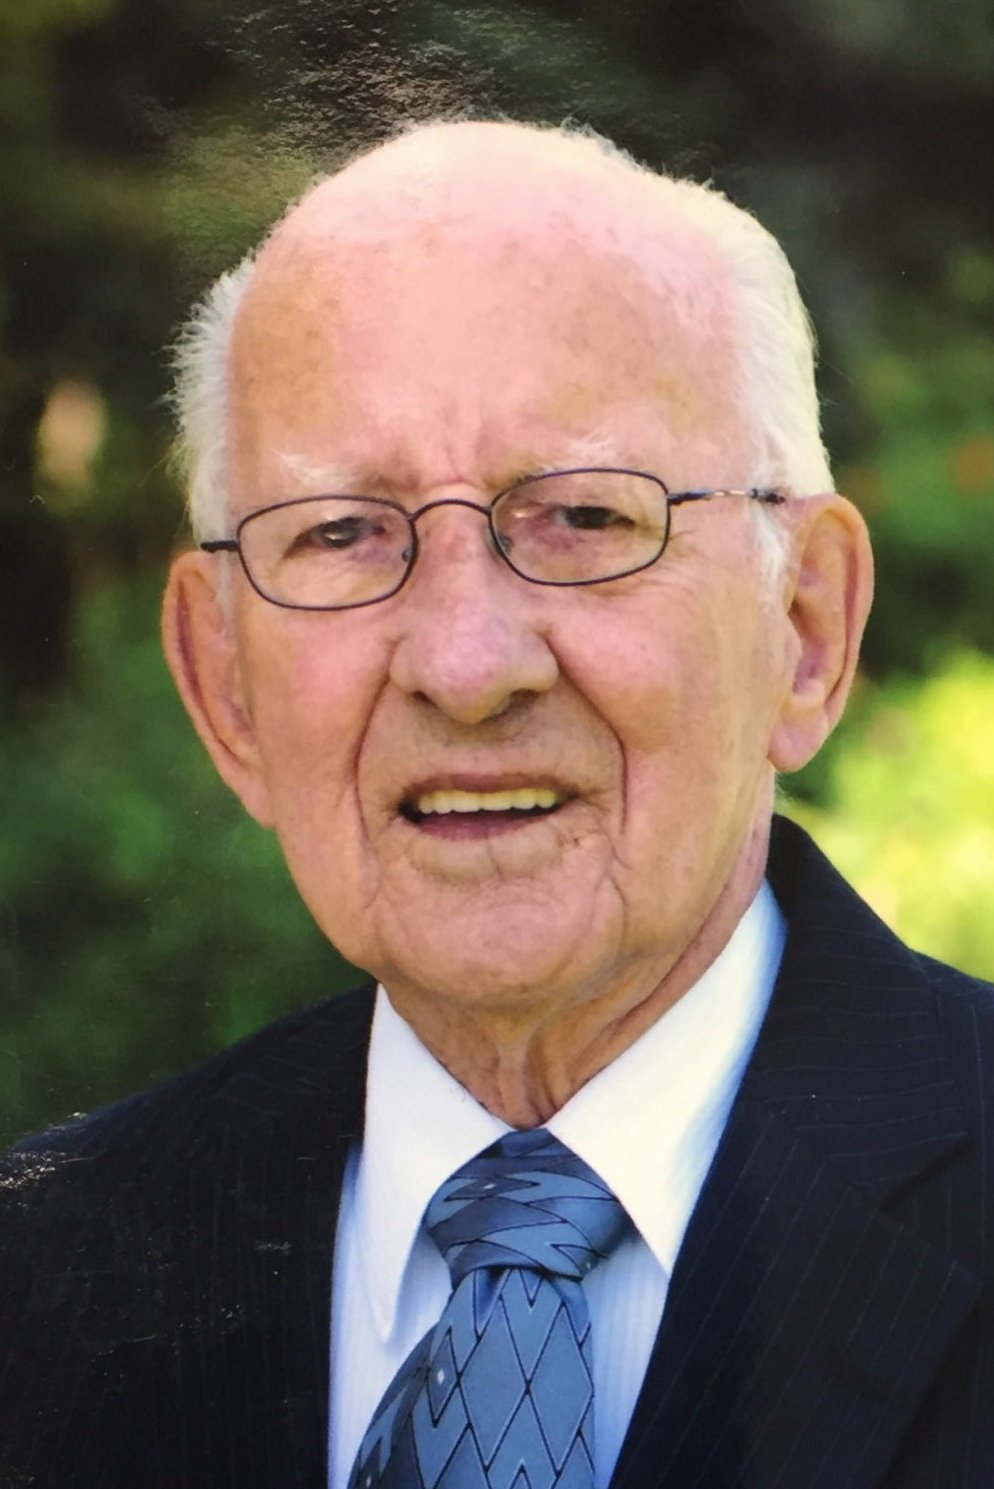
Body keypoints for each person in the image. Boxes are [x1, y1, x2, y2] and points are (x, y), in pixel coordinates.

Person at [1, 119, 991, 1489]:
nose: (465, 667)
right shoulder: (37, 1284)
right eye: (342, 532)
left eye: (583, 518)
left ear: (805, 628)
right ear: (224, 684)